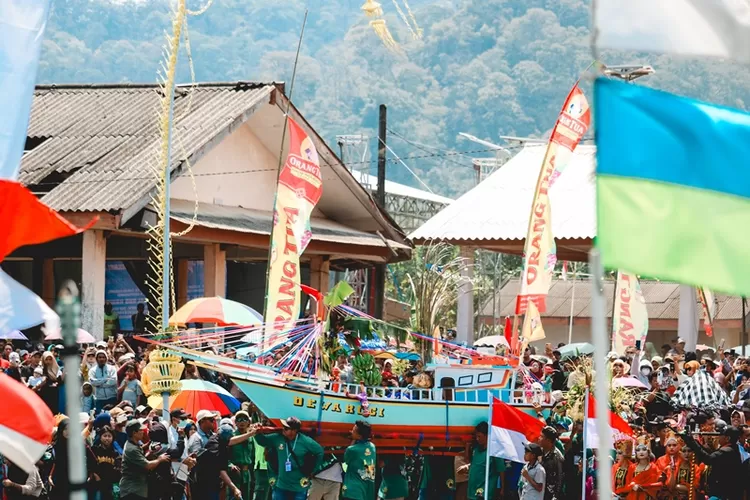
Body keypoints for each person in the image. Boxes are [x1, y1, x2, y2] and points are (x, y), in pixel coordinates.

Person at [254, 416, 324, 500]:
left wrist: (313, 470)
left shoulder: (305, 441)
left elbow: (320, 452)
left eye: (286, 428)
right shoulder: (278, 438)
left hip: (299, 486)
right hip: (281, 486)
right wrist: (257, 432)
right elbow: (262, 441)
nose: (283, 429)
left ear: (294, 430)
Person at [681, 425, 744, 499]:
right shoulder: (732, 448)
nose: (718, 437)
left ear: (727, 438)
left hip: (724, 495)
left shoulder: (726, 451)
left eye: (721, 435)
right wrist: (694, 442)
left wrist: (691, 442)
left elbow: (708, 459)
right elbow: (710, 454)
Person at [119, 419, 171, 500]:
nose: (143, 432)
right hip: (132, 490)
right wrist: (159, 459)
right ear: (134, 433)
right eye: (140, 430)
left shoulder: (132, 443)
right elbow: (148, 465)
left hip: (136, 489)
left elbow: (140, 449)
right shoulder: (131, 449)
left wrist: (149, 445)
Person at [458, 421, 505, 500]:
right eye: (476, 436)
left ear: (487, 436)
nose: (477, 439)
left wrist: (502, 488)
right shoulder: (476, 449)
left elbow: (501, 470)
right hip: (472, 491)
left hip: (484, 492)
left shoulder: (494, 451)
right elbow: (475, 464)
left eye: (479, 436)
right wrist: (466, 467)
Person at [341, 420, 376, 500]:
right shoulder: (373, 447)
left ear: (360, 436)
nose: (351, 432)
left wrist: (353, 440)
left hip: (352, 491)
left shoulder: (352, 450)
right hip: (366, 491)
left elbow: (346, 460)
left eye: (353, 431)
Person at [90, 426, 122, 500]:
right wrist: (95, 475)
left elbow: (118, 470)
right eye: (105, 436)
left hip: (109, 486)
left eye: (109, 436)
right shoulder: (94, 450)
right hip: (96, 485)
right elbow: (90, 465)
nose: (107, 438)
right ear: (100, 437)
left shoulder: (115, 454)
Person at [229, 410, 255, 500]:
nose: (242, 421)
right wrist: (230, 465)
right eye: (239, 419)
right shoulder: (231, 436)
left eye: (244, 419)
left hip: (247, 473)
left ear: (249, 422)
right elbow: (224, 455)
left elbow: (253, 456)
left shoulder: (251, 438)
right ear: (235, 422)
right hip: (235, 472)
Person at [538, 427, 563, 500]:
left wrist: (555, 496)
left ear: (548, 440)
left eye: (542, 437)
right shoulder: (539, 452)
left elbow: (560, 479)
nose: (539, 438)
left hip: (549, 495)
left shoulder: (557, 457)